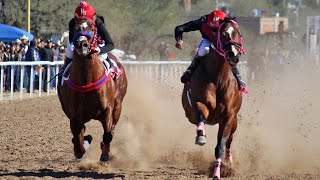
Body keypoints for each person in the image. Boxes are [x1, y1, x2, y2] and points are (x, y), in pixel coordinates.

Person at [174, 9, 247, 91]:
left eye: (217, 29)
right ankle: (190, 70)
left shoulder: (227, 21)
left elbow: (236, 32)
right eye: (213, 29)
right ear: (208, 24)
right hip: (208, 40)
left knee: (229, 53)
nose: (215, 33)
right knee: (203, 50)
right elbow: (180, 28)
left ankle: (239, 78)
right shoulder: (202, 21)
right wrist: (179, 39)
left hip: (223, 41)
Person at [64, 1, 116, 71]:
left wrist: (99, 49)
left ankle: (113, 71)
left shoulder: (98, 22)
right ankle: (63, 72)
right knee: (69, 54)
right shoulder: (72, 22)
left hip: (97, 43)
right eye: (80, 19)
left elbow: (110, 44)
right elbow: (71, 40)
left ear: (93, 18)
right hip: (78, 43)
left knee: (103, 56)